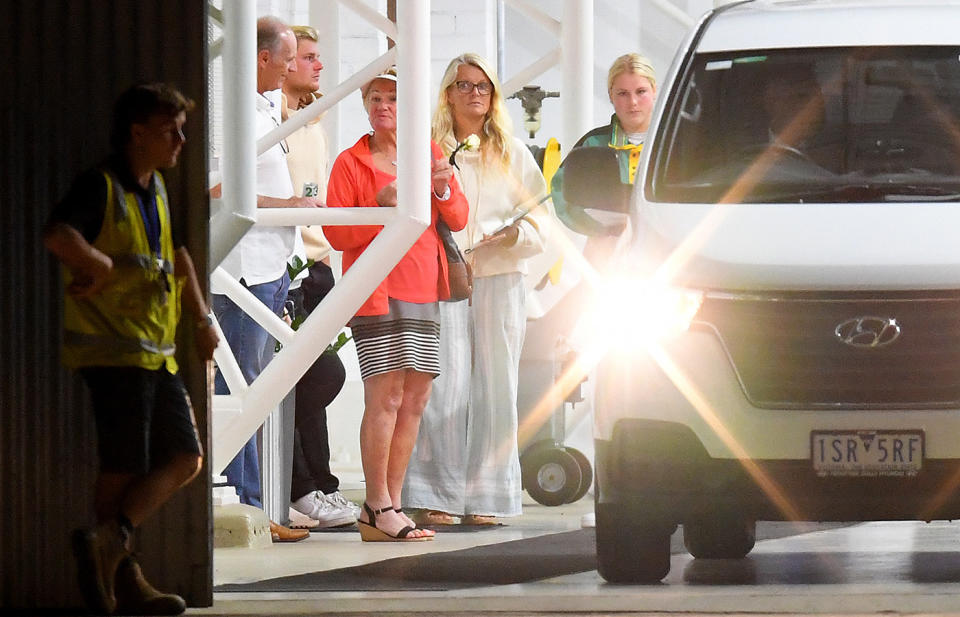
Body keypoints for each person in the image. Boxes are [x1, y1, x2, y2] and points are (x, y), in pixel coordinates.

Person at [44, 83, 217, 616]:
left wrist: (202, 318)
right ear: (137, 133)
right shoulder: (101, 185)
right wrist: (94, 264)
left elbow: (178, 256)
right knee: (122, 467)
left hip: (156, 354)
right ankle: (123, 580)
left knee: (186, 457)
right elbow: (58, 235)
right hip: (114, 357)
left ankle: (109, 543)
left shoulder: (158, 189)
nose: (181, 140)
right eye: (171, 131)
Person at [401, 53, 550, 526]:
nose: (475, 93)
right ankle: (434, 495)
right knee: (443, 386)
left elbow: (543, 220)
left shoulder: (513, 152)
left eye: (483, 85)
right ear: (448, 93)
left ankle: (488, 496)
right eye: (464, 85)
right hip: (443, 275)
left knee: (496, 387)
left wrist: (512, 236)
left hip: (502, 276)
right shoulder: (427, 149)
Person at [323, 67, 469, 541]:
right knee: (384, 397)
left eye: (393, 97)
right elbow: (337, 233)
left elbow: (460, 217)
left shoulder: (426, 153)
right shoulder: (351, 161)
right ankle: (376, 504)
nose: (383, 105)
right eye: (376, 98)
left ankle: (394, 502)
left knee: (415, 398)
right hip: (377, 290)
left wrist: (443, 185)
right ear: (366, 107)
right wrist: (379, 206)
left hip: (423, 285)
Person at [210, 15, 321, 543]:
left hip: (270, 268)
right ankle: (248, 505)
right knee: (242, 390)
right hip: (242, 269)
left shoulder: (262, 111)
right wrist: (290, 205)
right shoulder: (230, 113)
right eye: (289, 57)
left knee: (256, 390)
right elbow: (217, 188)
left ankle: (257, 504)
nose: (292, 68)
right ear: (262, 57)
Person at [280, 24, 358, 529]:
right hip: (282, 268)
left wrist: (327, 257)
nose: (319, 65)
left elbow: (318, 198)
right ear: (281, 63)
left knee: (318, 378)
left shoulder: (314, 122)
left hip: (316, 266)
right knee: (313, 376)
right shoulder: (270, 122)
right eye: (309, 57)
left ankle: (320, 486)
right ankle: (298, 486)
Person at [551, 52, 656, 266]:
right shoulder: (593, 143)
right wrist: (601, 229)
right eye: (623, 93)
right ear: (611, 95)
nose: (633, 102)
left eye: (641, 91)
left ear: (655, 91)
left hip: (664, 255)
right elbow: (561, 193)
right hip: (606, 256)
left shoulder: (674, 145)